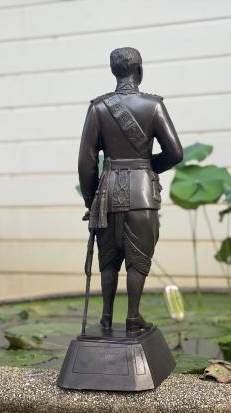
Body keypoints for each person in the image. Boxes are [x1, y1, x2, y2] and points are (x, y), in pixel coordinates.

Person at [78, 47, 183, 332]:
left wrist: (90, 200)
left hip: (107, 194)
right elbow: (175, 153)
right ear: (139, 70)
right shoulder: (154, 106)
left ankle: (106, 317)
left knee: (108, 259)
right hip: (142, 195)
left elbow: (86, 162)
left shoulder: (98, 108)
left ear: (114, 72)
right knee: (139, 259)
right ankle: (133, 317)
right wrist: (147, 168)